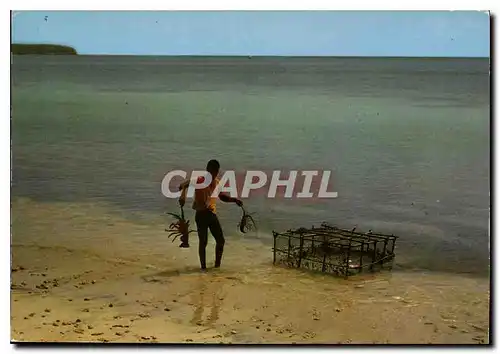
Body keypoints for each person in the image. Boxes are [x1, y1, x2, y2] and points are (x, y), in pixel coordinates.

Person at [178, 159, 242, 270]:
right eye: (211, 172)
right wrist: (183, 196)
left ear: (217, 172)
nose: (213, 174)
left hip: (211, 214)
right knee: (203, 242)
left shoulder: (216, 182)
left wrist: (234, 200)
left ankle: (217, 267)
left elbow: (221, 196)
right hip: (201, 215)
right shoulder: (200, 180)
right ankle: (203, 268)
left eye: (215, 172)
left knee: (221, 241)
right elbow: (183, 185)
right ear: (207, 170)